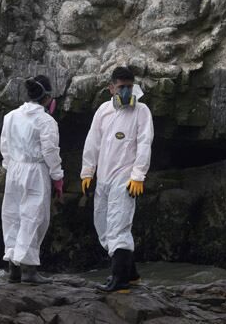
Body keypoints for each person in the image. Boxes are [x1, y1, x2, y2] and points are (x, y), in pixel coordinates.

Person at [80, 65, 154, 293]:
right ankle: (131, 275)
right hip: (103, 178)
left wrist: (138, 175)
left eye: (130, 87)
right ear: (111, 88)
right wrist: (87, 171)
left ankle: (119, 280)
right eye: (122, 87)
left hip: (125, 179)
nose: (126, 91)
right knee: (102, 226)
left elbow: (144, 143)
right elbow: (93, 142)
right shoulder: (103, 111)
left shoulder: (141, 111)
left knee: (118, 226)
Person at [0, 74, 64, 284]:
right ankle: (29, 271)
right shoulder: (46, 121)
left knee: (12, 216)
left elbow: (5, 147)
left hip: (14, 170)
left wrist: (10, 167)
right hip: (35, 171)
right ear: (47, 98)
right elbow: (50, 151)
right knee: (33, 217)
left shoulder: (10, 116)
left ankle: (13, 269)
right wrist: (58, 178)